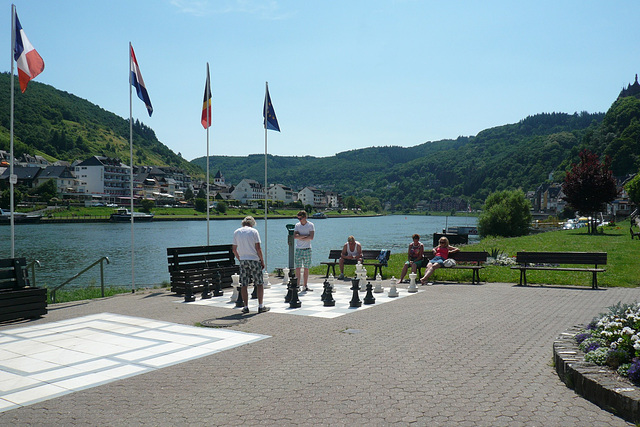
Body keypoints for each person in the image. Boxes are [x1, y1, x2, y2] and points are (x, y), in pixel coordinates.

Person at [232, 216, 270, 314]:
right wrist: (262, 260)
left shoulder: (237, 232)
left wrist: (240, 258)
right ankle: (260, 306)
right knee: (259, 283)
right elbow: (258, 248)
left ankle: (246, 306)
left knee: (244, 284)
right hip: (254, 259)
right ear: (252, 224)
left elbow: (234, 249)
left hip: (243, 260)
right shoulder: (254, 232)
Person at [294, 210, 314, 292]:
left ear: (305, 217)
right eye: (298, 218)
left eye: (300, 218)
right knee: (298, 268)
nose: (299, 220)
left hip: (307, 249)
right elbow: (295, 236)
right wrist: (306, 236)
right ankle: (298, 285)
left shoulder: (310, 225)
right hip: (298, 249)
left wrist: (300, 237)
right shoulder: (297, 225)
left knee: (306, 268)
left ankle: (305, 285)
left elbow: (311, 237)